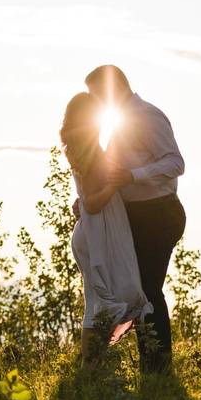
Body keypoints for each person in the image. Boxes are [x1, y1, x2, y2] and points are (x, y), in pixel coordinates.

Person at [85, 65, 186, 373]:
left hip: (159, 213)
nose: (96, 104)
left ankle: (157, 370)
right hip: (137, 218)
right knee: (139, 292)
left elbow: (175, 162)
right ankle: (152, 367)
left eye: (96, 96)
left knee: (147, 292)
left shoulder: (147, 117)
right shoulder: (118, 125)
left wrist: (133, 175)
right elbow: (112, 176)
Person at [60, 92, 152, 366]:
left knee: (100, 300)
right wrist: (115, 183)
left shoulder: (81, 148)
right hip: (98, 230)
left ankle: (90, 363)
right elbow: (93, 202)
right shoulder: (88, 151)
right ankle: (90, 363)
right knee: (109, 298)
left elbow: (86, 198)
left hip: (92, 231)